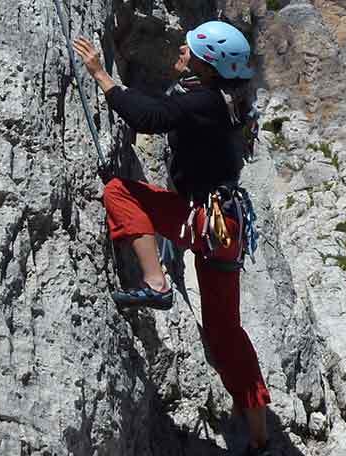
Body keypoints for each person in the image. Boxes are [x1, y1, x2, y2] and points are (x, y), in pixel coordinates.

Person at [73, 21, 273, 455]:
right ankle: (260, 436)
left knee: (119, 192)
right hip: (225, 227)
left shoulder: (203, 101)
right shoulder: (227, 97)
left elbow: (150, 118)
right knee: (225, 333)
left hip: (202, 218)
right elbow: (176, 106)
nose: (183, 48)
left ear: (208, 62)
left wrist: (100, 75)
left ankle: (155, 282)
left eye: (193, 48)